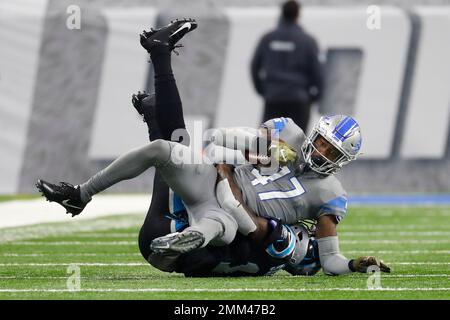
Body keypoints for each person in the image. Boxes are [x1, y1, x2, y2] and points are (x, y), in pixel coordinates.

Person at [36, 18, 389, 276]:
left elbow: (322, 257)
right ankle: (80, 193)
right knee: (164, 148)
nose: (322, 153)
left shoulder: (326, 199)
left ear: (342, 162)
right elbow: (217, 137)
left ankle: (182, 240)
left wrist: (355, 264)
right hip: (215, 179)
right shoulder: (289, 134)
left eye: (332, 152)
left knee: (226, 223)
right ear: (317, 134)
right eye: (324, 144)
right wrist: (257, 150)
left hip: (227, 207)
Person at [251, 0, 323, 132]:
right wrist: (314, 96)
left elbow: (254, 66)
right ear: (298, 15)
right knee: (294, 144)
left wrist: (263, 89)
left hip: (273, 97)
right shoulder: (307, 41)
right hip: (299, 99)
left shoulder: (268, 39)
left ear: (281, 14)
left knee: (268, 143)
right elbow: (317, 72)